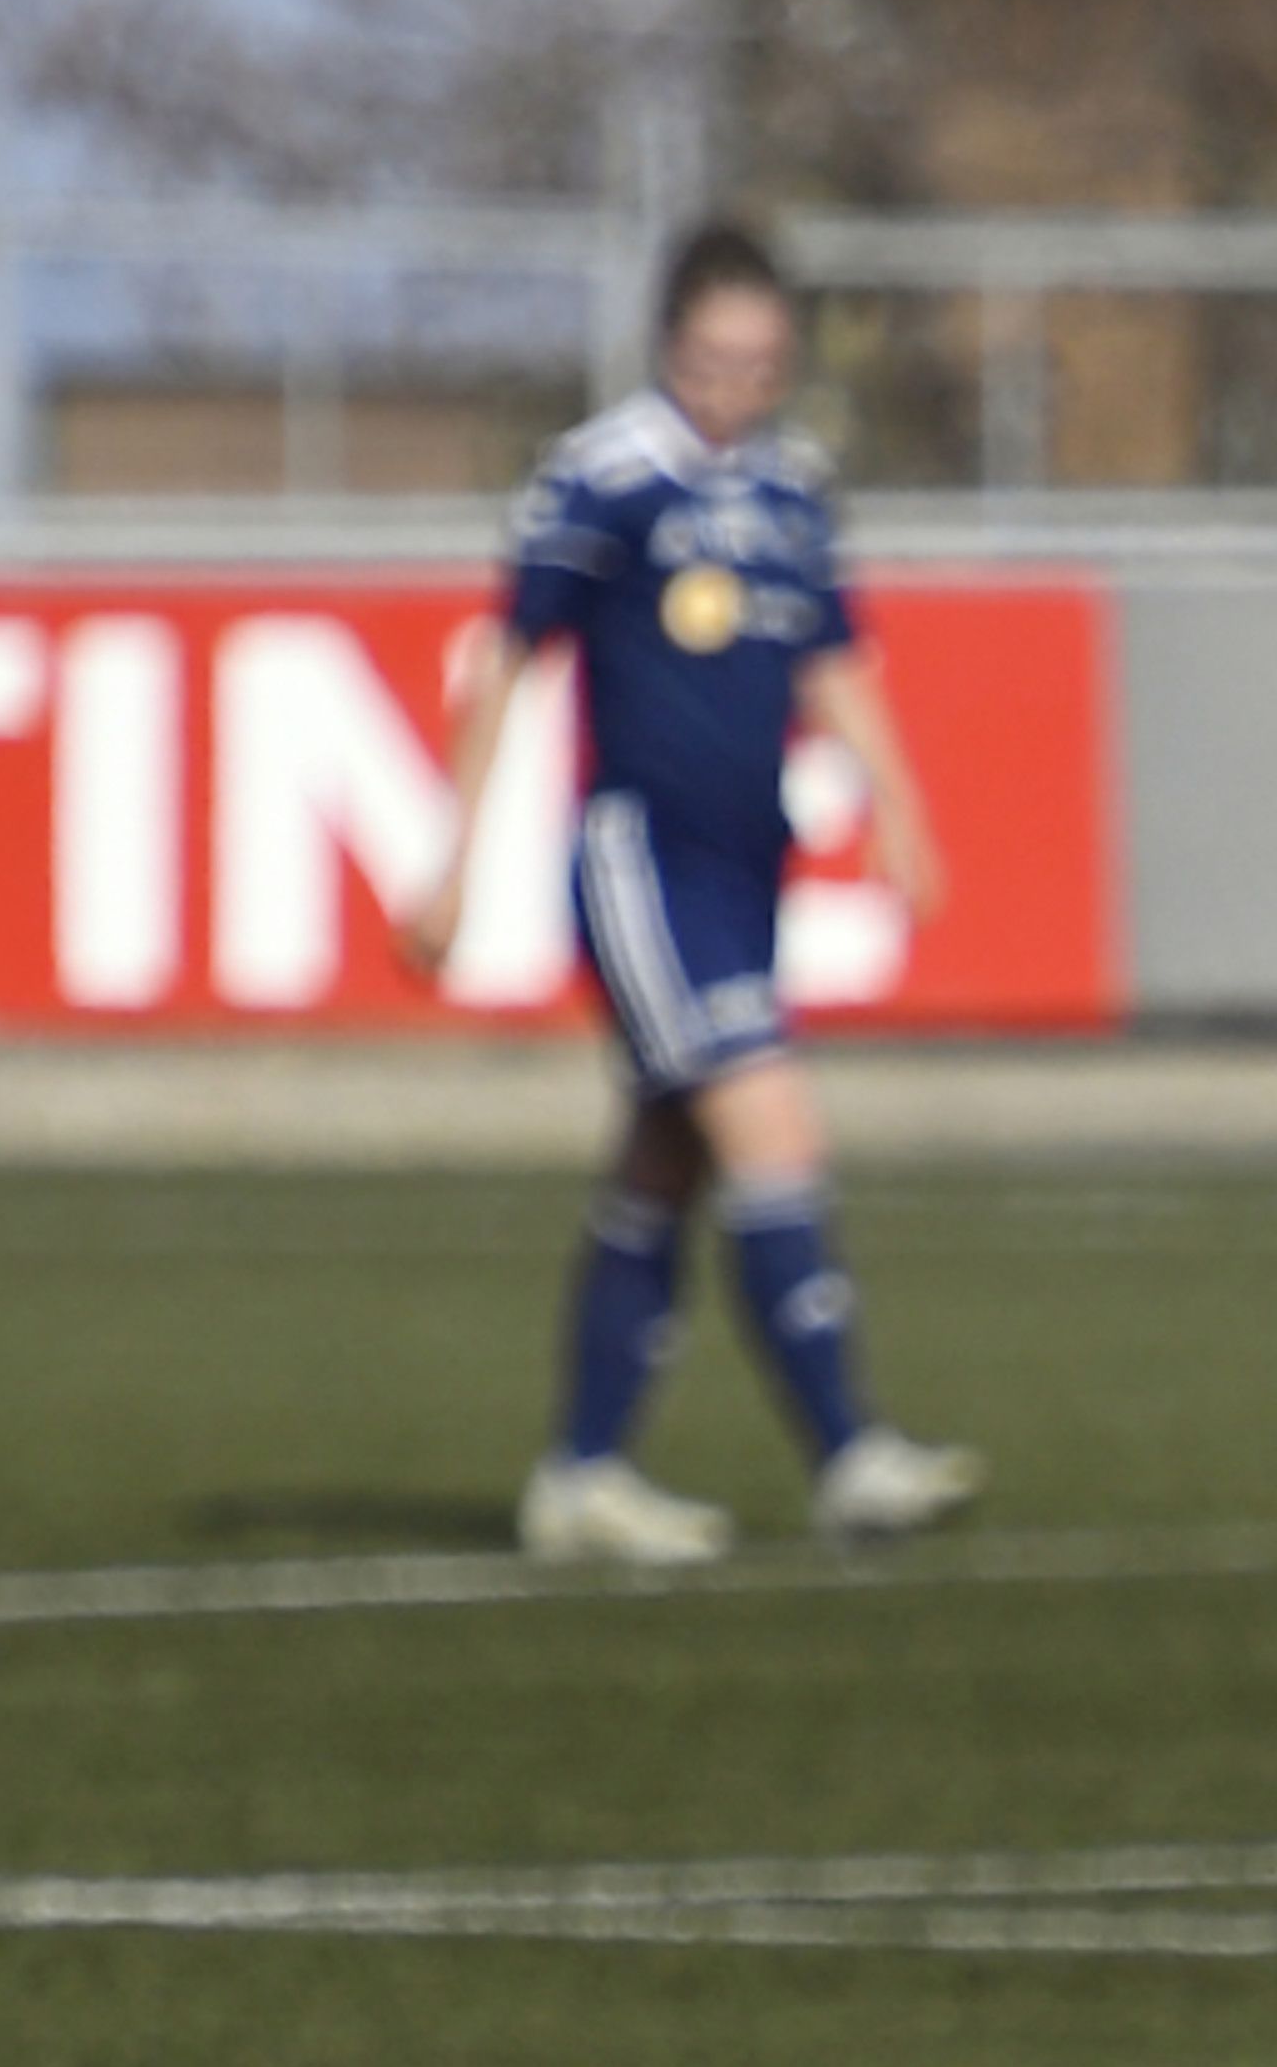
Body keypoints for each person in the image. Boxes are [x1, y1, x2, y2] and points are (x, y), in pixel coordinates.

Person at [395, 218, 985, 1566]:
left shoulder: (792, 486)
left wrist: (899, 809)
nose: (735, 388)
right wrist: (452, 860)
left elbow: (834, 658)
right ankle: (849, 1453)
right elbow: (508, 657)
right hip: (642, 860)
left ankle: (582, 1477)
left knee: (666, 1163)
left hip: (745, 864)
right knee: (770, 1119)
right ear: (669, 347)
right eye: (714, 362)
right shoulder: (603, 474)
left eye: (760, 365)